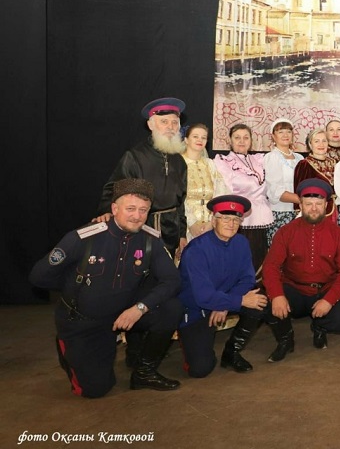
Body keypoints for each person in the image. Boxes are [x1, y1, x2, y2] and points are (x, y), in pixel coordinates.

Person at [30, 179, 182, 398]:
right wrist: (78, 291)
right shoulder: (83, 238)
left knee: (171, 308)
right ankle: (69, 348)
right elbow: (39, 276)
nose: (137, 216)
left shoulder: (150, 240)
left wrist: (139, 308)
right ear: (114, 209)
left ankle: (144, 372)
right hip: (84, 322)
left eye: (143, 210)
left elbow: (172, 280)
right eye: (130, 209)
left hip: (122, 314)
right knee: (95, 389)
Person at [178, 195, 269, 377]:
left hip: (224, 300)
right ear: (213, 220)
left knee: (261, 302)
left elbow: (247, 279)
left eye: (236, 219)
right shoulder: (196, 250)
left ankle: (232, 352)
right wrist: (237, 301)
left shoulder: (241, 242)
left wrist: (226, 304)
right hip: (197, 310)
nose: (231, 224)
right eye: (225, 218)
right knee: (200, 369)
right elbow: (203, 297)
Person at [262, 179, 340, 357]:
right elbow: (271, 266)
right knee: (266, 303)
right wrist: (277, 295)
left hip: (324, 290)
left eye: (318, 204)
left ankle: (319, 326)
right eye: (308, 204)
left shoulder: (338, 234)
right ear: (300, 205)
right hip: (294, 290)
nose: (313, 208)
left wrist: (329, 300)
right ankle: (285, 339)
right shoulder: (286, 232)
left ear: (326, 205)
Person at [97, 97, 187, 258]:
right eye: (164, 122)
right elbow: (114, 188)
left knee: (167, 270)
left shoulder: (179, 161)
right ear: (151, 125)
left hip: (171, 230)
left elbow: (181, 201)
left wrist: (182, 234)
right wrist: (106, 211)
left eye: (175, 122)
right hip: (141, 226)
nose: (170, 127)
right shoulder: (135, 156)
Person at [215, 123, 274, 274]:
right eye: (237, 138)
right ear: (230, 141)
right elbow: (225, 189)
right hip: (239, 218)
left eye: (246, 137)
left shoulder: (259, 159)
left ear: (251, 141)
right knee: (241, 260)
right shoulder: (223, 161)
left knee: (261, 259)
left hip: (262, 217)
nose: (242, 141)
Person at [181, 123, 228, 243]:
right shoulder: (179, 163)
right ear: (186, 140)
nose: (200, 140)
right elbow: (177, 197)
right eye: (195, 136)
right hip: (185, 224)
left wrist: (212, 221)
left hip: (210, 223)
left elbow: (221, 192)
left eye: (203, 137)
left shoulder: (210, 164)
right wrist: (191, 223)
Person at [264, 118, 301, 246]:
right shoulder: (272, 157)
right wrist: (303, 200)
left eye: (288, 131)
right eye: (280, 132)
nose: (285, 135)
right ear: (273, 136)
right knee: (280, 250)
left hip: (301, 213)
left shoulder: (299, 158)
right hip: (280, 212)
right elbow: (275, 191)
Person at [292, 128, 338, 217]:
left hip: (334, 211)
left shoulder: (334, 162)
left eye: (324, 141)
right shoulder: (304, 164)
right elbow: (299, 193)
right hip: (313, 212)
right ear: (310, 144)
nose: (321, 144)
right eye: (317, 141)